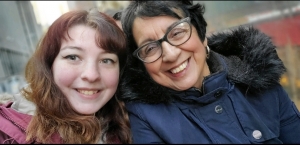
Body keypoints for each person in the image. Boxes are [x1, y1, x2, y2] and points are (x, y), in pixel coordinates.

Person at [118, 1, 300, 144]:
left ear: (202, 34)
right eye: (150, 48)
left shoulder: (258, 77)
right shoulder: (145, 115)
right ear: (142, 64)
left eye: (177, 33)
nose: (171, 54)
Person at [0, 9, 132, 144]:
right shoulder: (7, 135)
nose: (91, 75)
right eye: (73, 57)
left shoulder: (127, 125)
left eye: (106, 60)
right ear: (49, 64)